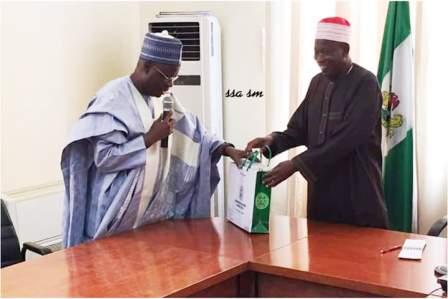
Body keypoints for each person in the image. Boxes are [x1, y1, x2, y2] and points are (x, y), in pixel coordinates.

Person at [62, 31, 246, 247]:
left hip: (148, 217)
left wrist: (227, 149)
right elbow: (105, 158)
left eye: (175, 78)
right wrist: (149, 138)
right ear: (146, 66)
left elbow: (197, 134)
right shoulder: (112, 99)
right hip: (113, 215)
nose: (170, 85)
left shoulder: (162, 99)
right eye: (167, 77)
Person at [246, 17, 388, 228]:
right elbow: (298, 129)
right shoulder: (317, 83)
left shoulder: (365, 83)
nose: (319, 58)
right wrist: (270, 142)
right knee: (320, 256)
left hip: (357, 194)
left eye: (326, 51)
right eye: (316, 51)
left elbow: (348, 138)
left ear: (345, 49)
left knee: (359, 258)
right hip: (321, 195)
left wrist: (295, 164)